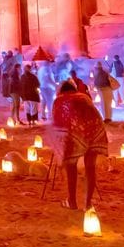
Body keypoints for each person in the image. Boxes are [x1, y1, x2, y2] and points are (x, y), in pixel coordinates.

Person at [48, 81, 107, 210]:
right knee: (90, 168)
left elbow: (56, 122)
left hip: (74, 133)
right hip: (95, 131)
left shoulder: (59, 100)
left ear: (61, 91)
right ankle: (88, 203)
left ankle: (72, 201)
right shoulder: (84, 96)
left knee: (71, 166)